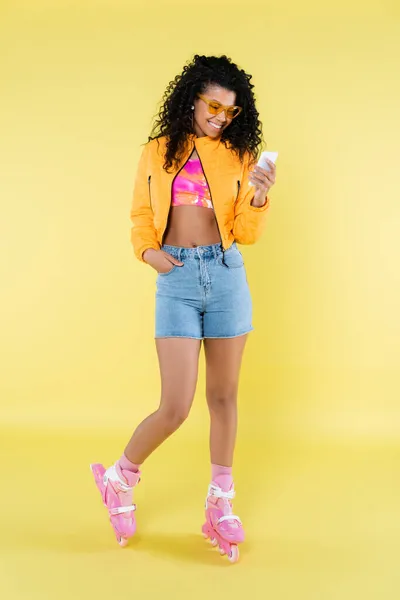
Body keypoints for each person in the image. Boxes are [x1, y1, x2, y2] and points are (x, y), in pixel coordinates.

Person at [91, 54, 277, 563]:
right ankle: (119, 478)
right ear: (192, 98)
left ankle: (221, 502)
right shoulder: (158, 152)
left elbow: (246, 232)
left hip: (226, 274)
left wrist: (259, 198)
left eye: (230, 111)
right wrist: (153, 257)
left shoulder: (239, 156)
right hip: (176, 280)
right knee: (175, 406)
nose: (219, 117)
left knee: (223, 397)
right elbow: (139, 214)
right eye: (212, 105)